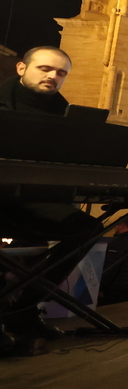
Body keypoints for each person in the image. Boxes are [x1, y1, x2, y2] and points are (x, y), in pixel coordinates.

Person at [0, 46, 101, 351]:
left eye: (60, 73)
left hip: (35, 203)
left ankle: (21, 307)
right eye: (44, 69)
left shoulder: (67, 115)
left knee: (87, 229)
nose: (52, 76)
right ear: (21, 69)